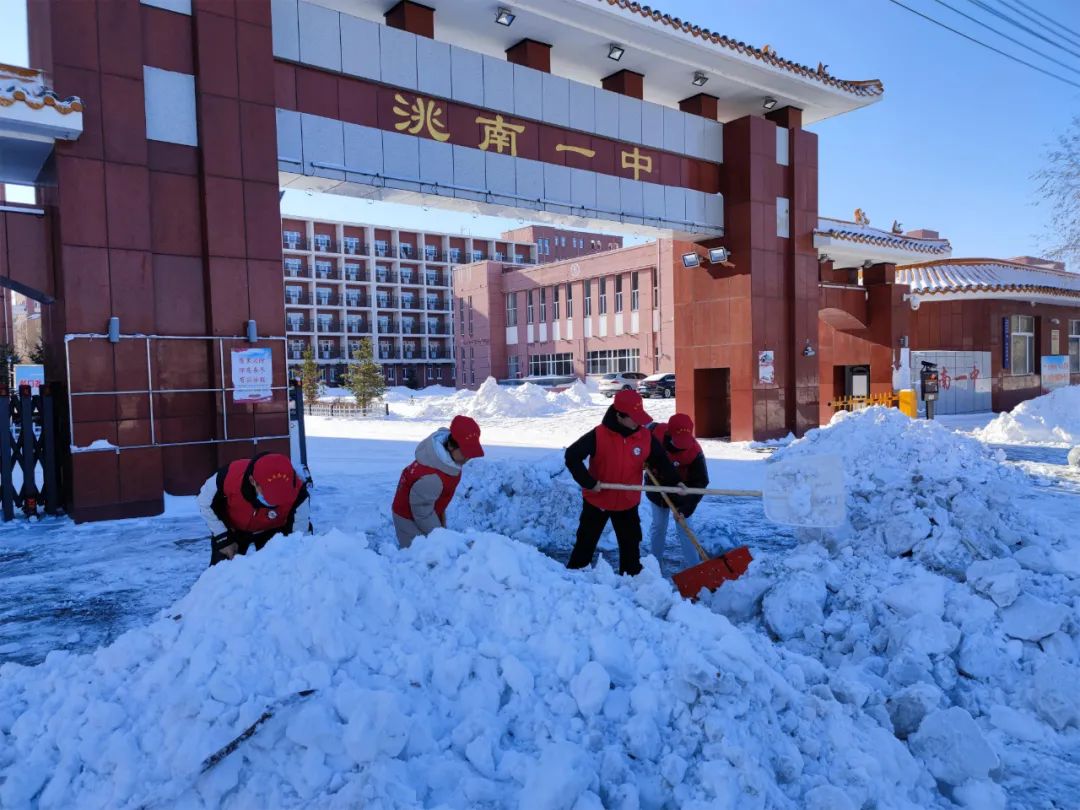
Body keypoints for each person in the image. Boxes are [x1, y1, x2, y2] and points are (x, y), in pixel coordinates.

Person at [564, 388, 681, 576]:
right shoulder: (598, 435)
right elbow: (572, 456)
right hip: (597, 501)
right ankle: (572, 584)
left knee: (631, 553)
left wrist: (676, 482)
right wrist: (588, 482)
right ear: (619, 415)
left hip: (627, 502)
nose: (638, 422)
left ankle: (631, 588)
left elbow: (661, 461)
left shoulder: (645, 437)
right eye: (633, 417)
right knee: (584, 547)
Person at [197, 452, 312, 566]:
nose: (275, 503)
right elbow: (205, 502)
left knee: (277, 570)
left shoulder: (299, 491)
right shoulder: (230, 476)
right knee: (221, 575)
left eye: (282, 495)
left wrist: (297, 558)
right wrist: (223, 538)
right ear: (252, 481)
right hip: (233, 530)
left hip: (274, 530)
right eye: (270, 495)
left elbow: (300, 534)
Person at [392, 414, 485, 548]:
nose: (468, 457)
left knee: (437, 545)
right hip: (408, 518)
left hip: (428, 508)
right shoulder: (432, 477)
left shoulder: (447, 460)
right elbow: (421, 511)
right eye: (465, 452)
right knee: (418, 555)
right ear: (451, 446)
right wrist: (441, 536)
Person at [646, 412, 709, 577]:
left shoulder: (695, 451)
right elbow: (638, 433)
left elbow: (700, 483)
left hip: (683, 492)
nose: (682, 446)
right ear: (669, 433)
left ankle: (695, 569)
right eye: (678, 441)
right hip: (657, 488)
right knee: (659, 526)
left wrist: (686, 508)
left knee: (685, 527)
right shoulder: (655, 433)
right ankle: (654, 567)